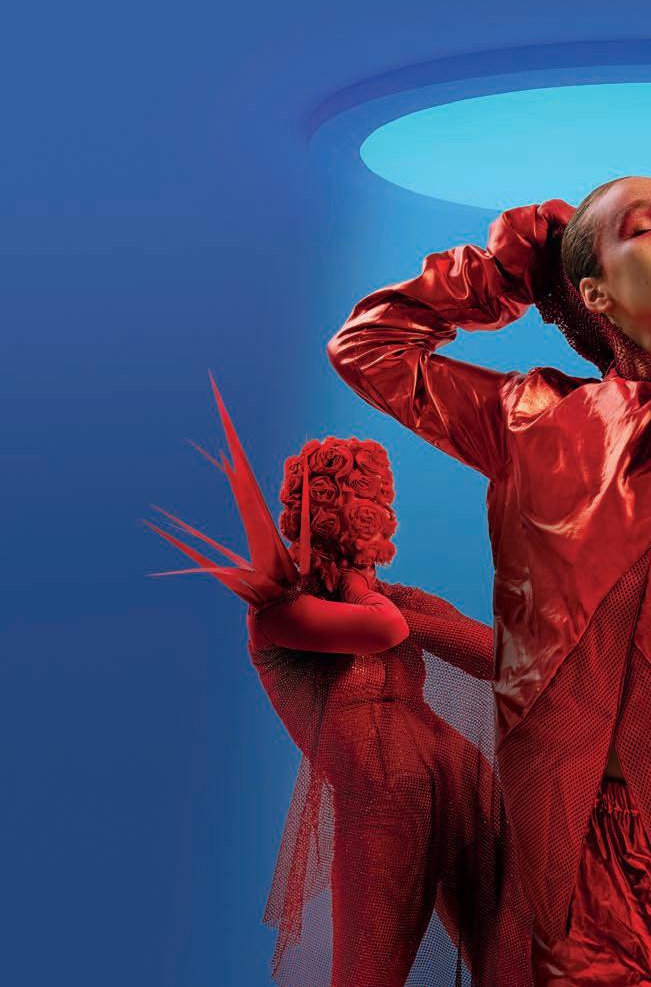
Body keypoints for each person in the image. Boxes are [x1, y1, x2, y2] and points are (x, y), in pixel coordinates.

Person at [326, 176, 651, 984]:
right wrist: (493, 275)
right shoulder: (527, 416)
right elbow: (366, 350)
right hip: (574, 832)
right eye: (645, 228)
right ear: (593, 292)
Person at [146, 377, 533, 986]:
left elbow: (498, 659)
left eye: (374, 505)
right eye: (357, 509)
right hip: (382, 806)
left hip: (459, 781)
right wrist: (364, 590)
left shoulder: (396, 599)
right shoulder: (279, 615)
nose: (370, 533)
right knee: (366, 974)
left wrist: (389, 600)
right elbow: (381, 630)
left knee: (512, 962)